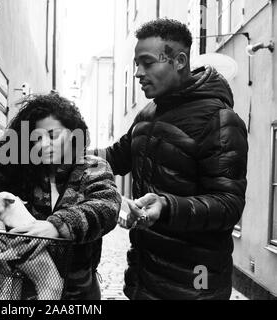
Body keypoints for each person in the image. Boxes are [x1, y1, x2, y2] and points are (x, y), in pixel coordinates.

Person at [95, 19, 248, 300]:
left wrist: (166, 206)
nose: (138, 73)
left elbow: (228, 205)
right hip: (144, 274)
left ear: (179, 61)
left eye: (148, 63)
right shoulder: (147, 115)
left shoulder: (219, 120)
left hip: (195, 282)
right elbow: (115, 157)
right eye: (136, 64)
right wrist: (67, 154)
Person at [0, 93, 121, 300]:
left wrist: (56, 227)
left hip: (79, 290)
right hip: (24, 289)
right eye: (37, 138)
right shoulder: (18, 166)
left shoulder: (93, 167)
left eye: (53, 135)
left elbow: (106, 205)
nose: (44, 144)